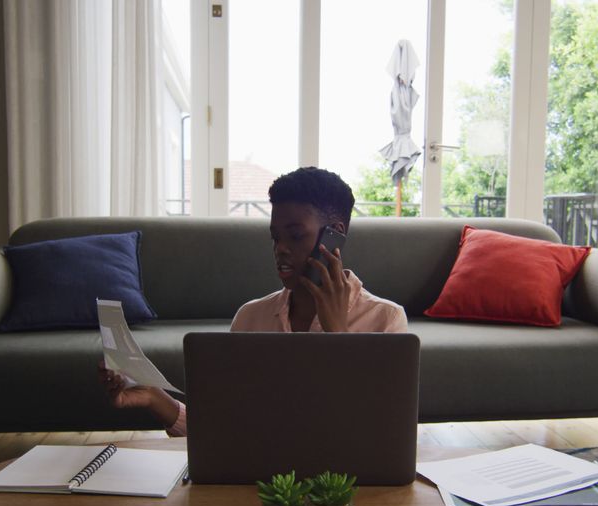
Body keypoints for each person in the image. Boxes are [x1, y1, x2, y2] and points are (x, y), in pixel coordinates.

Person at [98, 167, 408, 436]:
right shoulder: (250, 318)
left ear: (335, 235)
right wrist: (154, 398)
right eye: (275, 237)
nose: (281, 249)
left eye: (295, 236)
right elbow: (225, 428)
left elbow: (373, 432)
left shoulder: (386, 321)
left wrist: (338, 334)